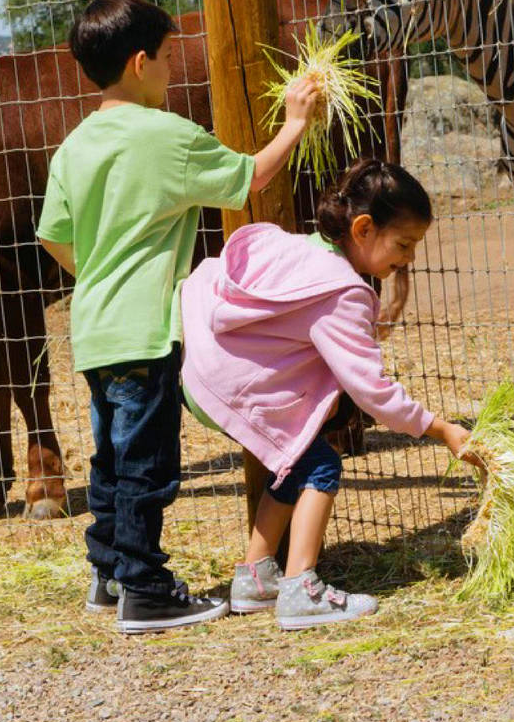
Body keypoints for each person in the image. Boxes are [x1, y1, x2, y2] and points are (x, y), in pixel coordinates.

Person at [37, 0, 323, 634]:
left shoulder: (74, 145)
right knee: (148, 464)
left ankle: (108, 576)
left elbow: (53, 234)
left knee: (110, 461)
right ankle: (147, 590)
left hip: (94, 328)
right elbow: (247, 179)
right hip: (145, 330)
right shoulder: (166, 136)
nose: (173, 70)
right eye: (169, 58)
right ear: (141, 63)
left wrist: (101, 275)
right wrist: (295, 123)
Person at [178, 157, 476, 630]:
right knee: (323, 466)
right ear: (362, 228)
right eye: (403, 244)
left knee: (298, 459)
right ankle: (301, 587)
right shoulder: (343, 293)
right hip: (234, 385)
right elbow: (371, 389)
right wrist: (440, 429)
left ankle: (254, 578)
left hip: (202, 366)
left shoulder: (303, 250)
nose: (409, 258)